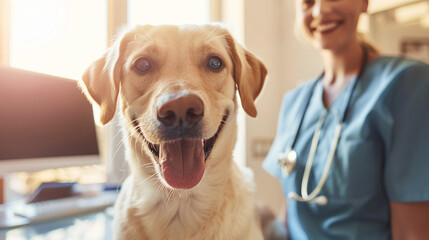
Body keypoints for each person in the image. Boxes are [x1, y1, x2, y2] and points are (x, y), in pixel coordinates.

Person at [261, 0, 429, 239]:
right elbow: (293, 212)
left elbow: (413, 232)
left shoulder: (408, 85)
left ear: (364, 3)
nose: (320, 11)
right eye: (308, 2)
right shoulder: (294, 102)